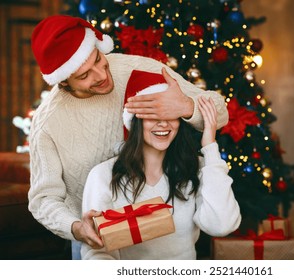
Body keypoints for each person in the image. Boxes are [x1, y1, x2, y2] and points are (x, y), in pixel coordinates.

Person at [27, 15, 228, 259]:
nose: (100, 75)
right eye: (83, 76)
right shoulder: (48, 123)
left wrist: (186, 106)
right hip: (95, 238)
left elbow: (220, 110)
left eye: (98, 60)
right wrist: (76, 228)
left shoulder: (140, 69)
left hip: (168, 231)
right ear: (63, 82)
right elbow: (43, 199)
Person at [81, 71, 241, 259]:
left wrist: (210, 148)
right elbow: (97, 252)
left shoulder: (197, 168)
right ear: (136, 120)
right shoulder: (103, 175)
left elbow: (222, 225)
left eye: (170, 114)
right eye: (153, 115)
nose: (163, 124)